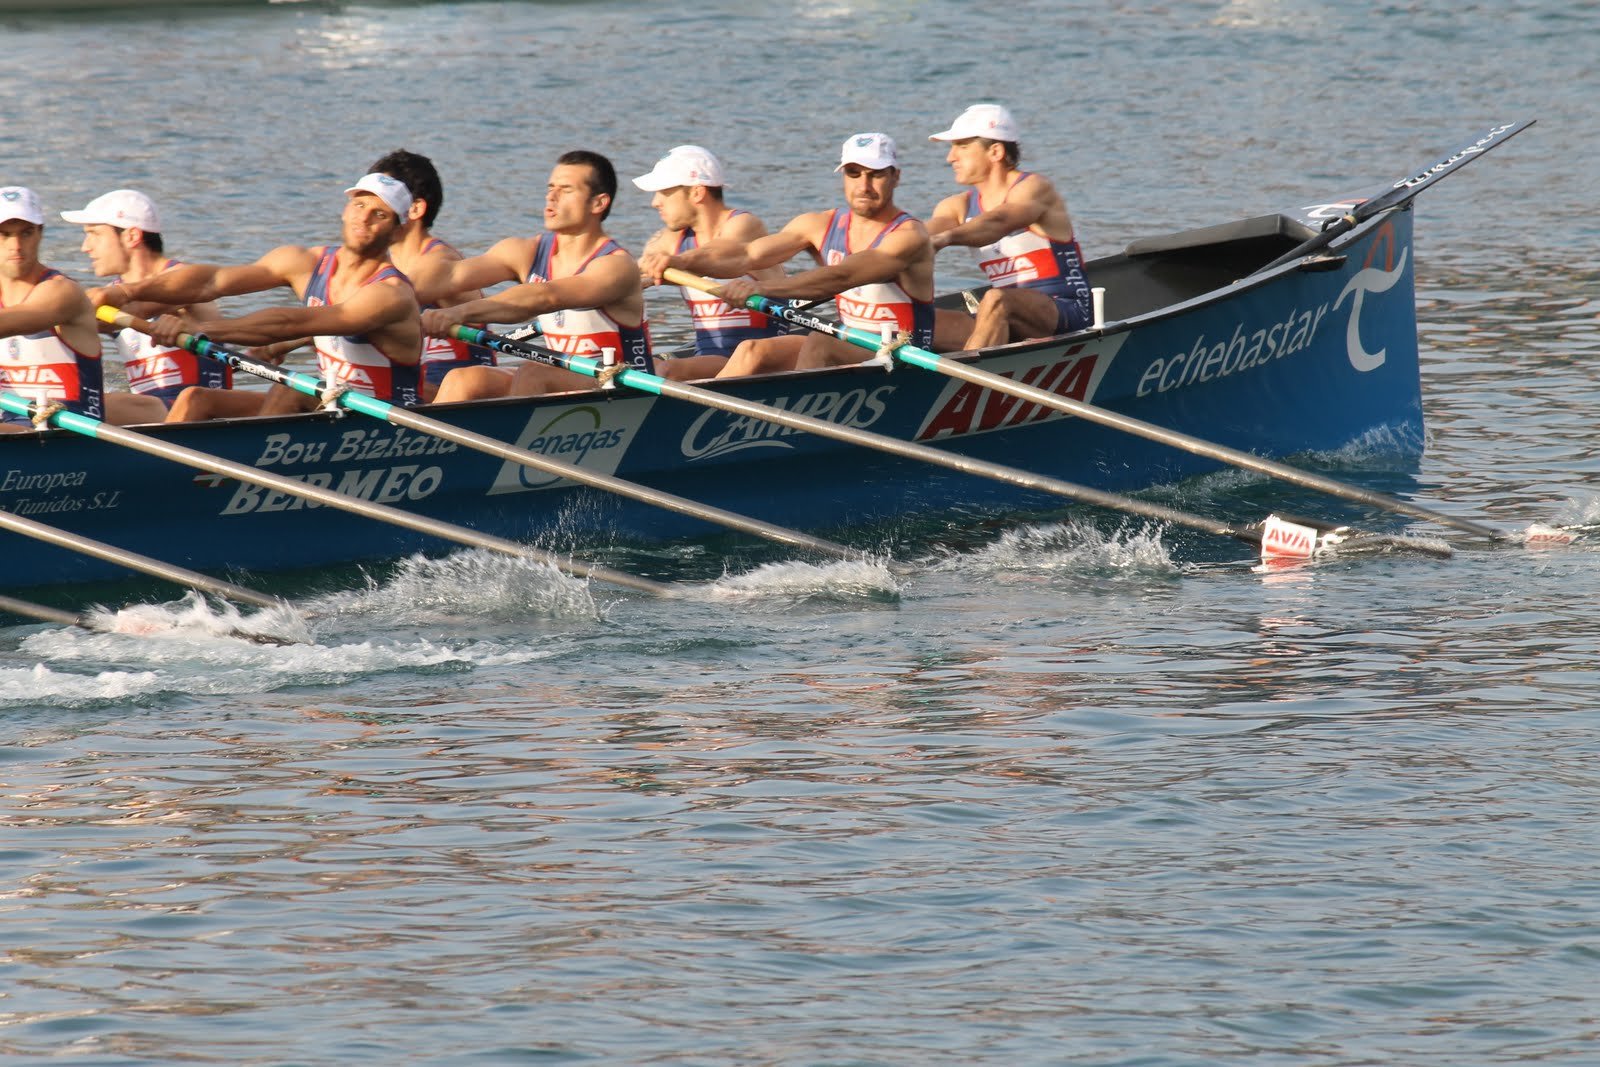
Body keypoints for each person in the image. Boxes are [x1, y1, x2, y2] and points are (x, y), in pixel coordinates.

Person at [100, 173, 422, 422]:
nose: (364, 218)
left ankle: (240, 476)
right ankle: (171, 474)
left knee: (287, 393)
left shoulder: (390, 294)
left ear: (397, 232)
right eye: (359, 205)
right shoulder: (304, 262)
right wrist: (123, 292)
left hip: (388, 418)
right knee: (196, 398)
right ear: (345, 209)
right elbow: (211, 281)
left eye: (380, 214)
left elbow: (290, 323)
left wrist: (201, 330)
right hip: (337, 404)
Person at [641, 132, 934, 377]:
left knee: (818, 343)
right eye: (854, 173)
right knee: (757, 350)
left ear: (895, 177)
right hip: (852, 342)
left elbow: (841, 277)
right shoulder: (817, 225)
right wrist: (681, 261)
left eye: (876, 174)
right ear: (843, 176)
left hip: (903, 355)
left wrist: (762, 289)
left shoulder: (908, 236)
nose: (864, 186)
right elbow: (744, 256)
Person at [421, 150, 652, 401]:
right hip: (566, 379)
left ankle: (515, 425)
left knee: (533, 374)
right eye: (551, 188)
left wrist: (457, 313)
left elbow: (545, 297)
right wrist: (396, 296)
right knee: (463, 379)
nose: (551, 196)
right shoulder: (527, 252)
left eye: (566, 190)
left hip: (625, 387)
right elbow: (449, 276)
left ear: (598, 203)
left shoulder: (616, 266)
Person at [925, 103, 1093, 350]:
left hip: (1068, 312)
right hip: (1006, 317)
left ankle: (971, 374)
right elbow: (920, 234)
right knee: (914, 322)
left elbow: (998, 222)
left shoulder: (1035, 189)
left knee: (996, 299)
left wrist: (944, 239)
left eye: (962, 146)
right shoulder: (956, 206)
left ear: (995, 151)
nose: (950, 157)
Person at [64, 188, 230, 424]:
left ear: (132, 236)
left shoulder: (184, 280)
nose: (85, 247)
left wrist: (70, 307)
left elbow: (140, 307)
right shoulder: (112, 292)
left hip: (202, 413)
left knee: (93, 406)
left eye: (94, 234)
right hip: (152, 417)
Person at [632, 145, 787, 381]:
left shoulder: (745, 225)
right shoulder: (669, 239)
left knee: (669, 370)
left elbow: (720, 252)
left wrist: (679, 261)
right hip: (710, 362)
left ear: (697, 193)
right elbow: (632, 270)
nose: (655, 202)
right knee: (647, 366)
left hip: (766, 361)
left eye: (664, 192)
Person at [365, 149, 496, 401]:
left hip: (458, 392)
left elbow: (364, 311)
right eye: (362, 203)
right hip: (416, 389)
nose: (364, 215)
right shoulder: (382, 266)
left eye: (381, 201)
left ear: (415, 208)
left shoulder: (438, 262)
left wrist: (292, 338)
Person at [0, 186, 104, 434]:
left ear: (40, 233)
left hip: (69, 436)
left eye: (26, 233)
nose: (16, 245)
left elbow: (16, 320)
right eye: (4, 235)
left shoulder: (62, 292)